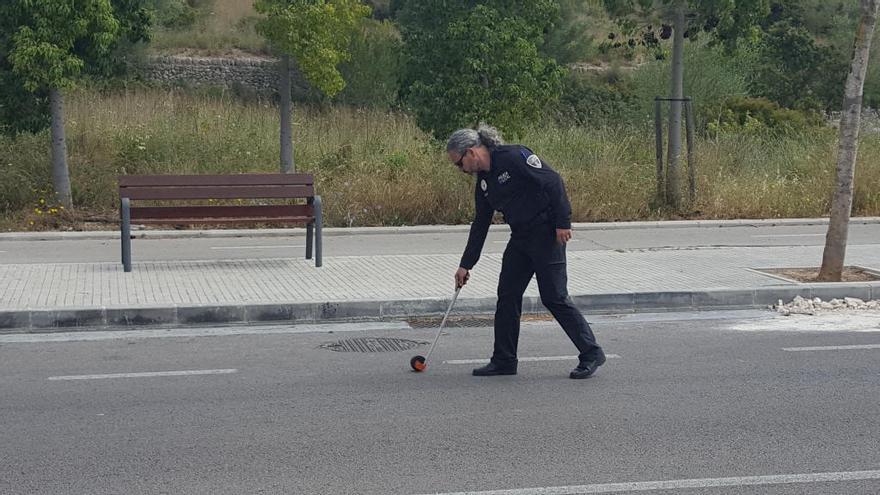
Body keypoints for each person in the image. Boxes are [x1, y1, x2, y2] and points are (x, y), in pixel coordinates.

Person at [447, 124, 605, 379]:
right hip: (520, 238)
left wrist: (562, 222)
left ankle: (591, 352)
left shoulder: (513, 157)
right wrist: (466, 265)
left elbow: (553, 181)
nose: (460, 170)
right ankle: (504, 360)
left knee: (554, 297)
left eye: (459, 164)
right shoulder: (484, 184)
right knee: (507, 296)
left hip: (546, 233)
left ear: (472, 152)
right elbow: (480, 224)